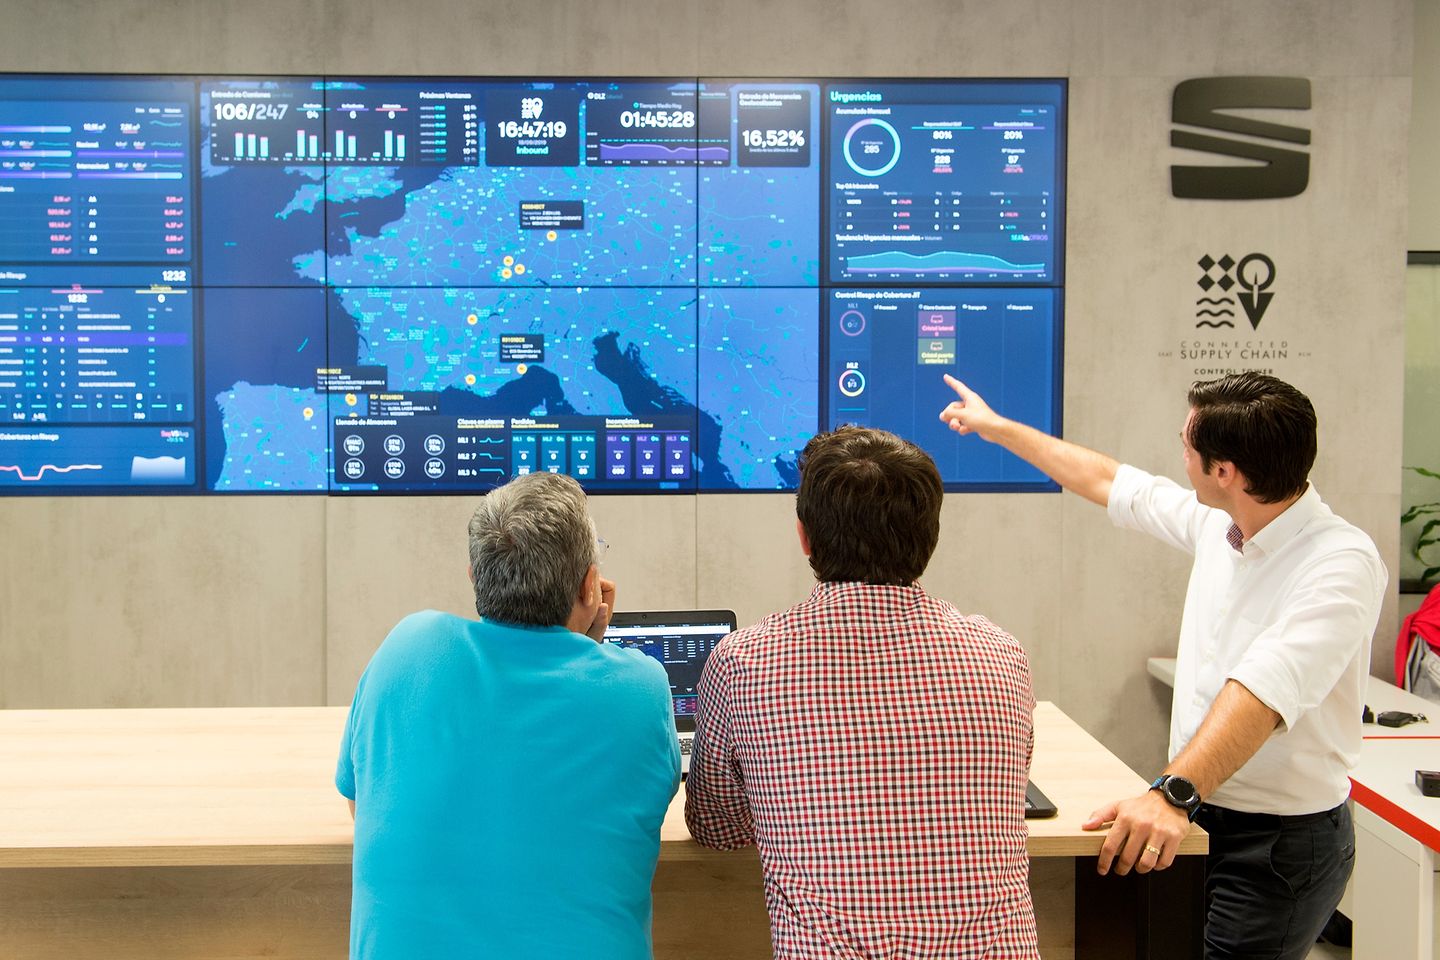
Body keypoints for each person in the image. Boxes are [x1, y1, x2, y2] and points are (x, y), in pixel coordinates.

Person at [939, 371, 1386, 960]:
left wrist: (1171, 794)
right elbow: (1107, 480)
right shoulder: (1224, 523)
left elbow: (1263, 691)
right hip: (1203, 814)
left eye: (1186, 444)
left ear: (1224, 472)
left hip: (1277, 843)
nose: (1179, 453)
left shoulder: (1340, 562)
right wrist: (999, 430)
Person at [685, 426, 1039, 959]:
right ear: (931, 534)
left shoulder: (743, 663)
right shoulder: (1002, 655)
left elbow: (716, 827)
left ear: (805, 536)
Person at [335, 471, 680, 960]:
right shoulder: (640, 688)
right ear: (590, 586)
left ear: (476, 576)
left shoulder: (407, 648)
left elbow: (361, 803)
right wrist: (585, 650)